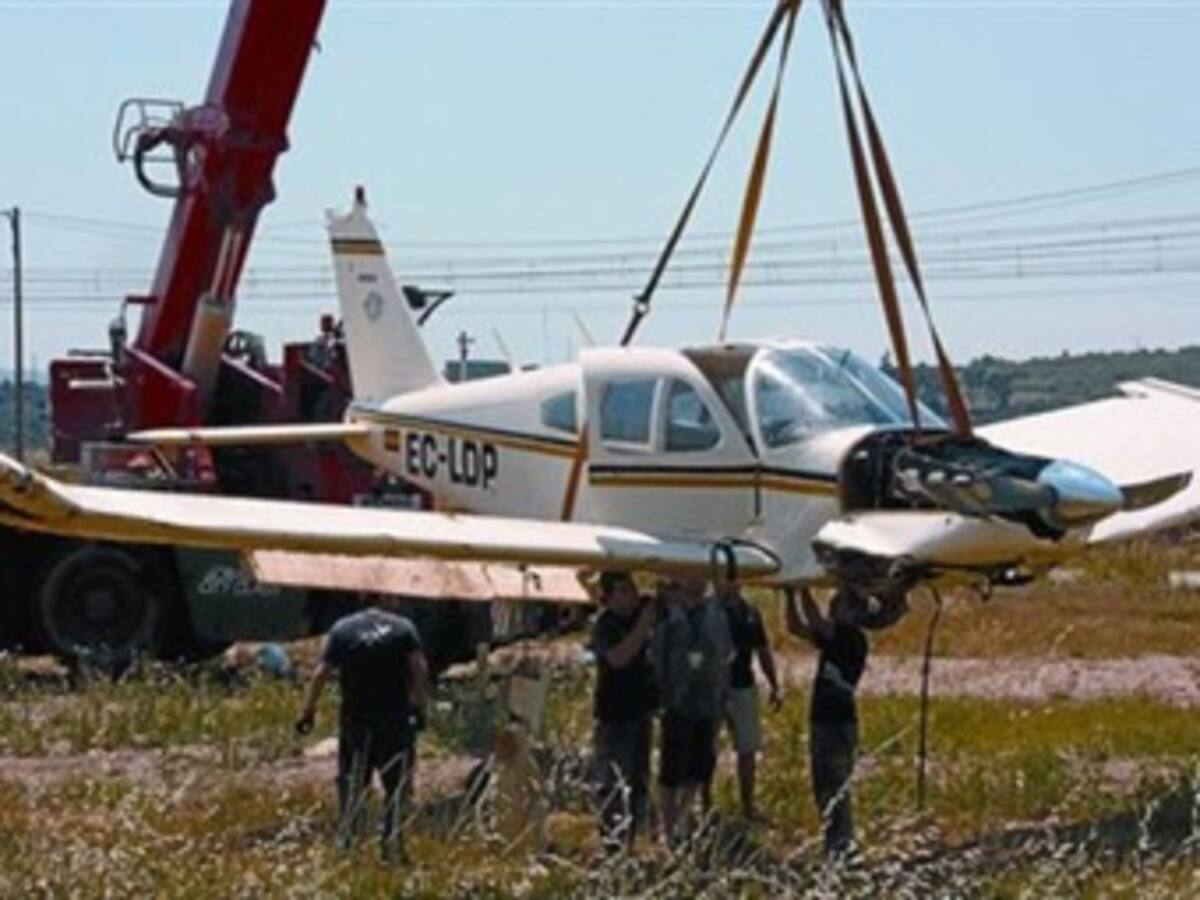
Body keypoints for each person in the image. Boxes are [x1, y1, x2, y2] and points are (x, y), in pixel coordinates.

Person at [295, 604, 429, 858]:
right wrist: (420, 707)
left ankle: (349, 844)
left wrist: (308, 711)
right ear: (387, 598)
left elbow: (321, 672)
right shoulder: (404, 628)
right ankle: (392, 845)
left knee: (353, 783)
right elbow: (419, 669)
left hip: (356, 721)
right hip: (394, 720)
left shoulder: (343, 629)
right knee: (397, 786)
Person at [785, 586, 868, 859]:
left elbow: (815, 620)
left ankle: (842, 845)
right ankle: (836, 841)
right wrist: (790, 596)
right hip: (824, 720)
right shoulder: (834, 637)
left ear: (854, 613)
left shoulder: (850, 638)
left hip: (837, 723)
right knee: (824, 786)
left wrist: (802, 587)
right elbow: (797, 627)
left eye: (838, 605)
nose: (832, 609)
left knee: (835, 786)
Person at [652, 576, 733, 843]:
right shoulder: (668, 614)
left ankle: (685, 819)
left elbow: (723, 655)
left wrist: (723, 697)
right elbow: (658, 657)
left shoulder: (715, 613)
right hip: (677, 699)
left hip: (707, 700)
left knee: (699, 765)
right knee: (672, 766)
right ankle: (668, 825)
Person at [589, 571, 657, 852]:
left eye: (632, 589)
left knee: (638, 780)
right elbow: (618, 658)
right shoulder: (605, 624)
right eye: (623, 591)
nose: (631, 595)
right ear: (608, 597)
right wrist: (644, 625)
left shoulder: (639, 613)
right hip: (614, 714)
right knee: (614, 781)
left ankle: (630, 840)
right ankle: (612, 844)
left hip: (640, 711)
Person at [713, 577, 781, 822]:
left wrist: (774, 683)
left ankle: (748, 805)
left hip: (743, 684)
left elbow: (762, 650)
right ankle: (706, 803)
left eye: (733, 579)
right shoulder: (708, 610)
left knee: (747, 748)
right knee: (708, 746)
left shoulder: (751, 612)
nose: (729, 584)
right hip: (712, 688)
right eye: (725, 579)